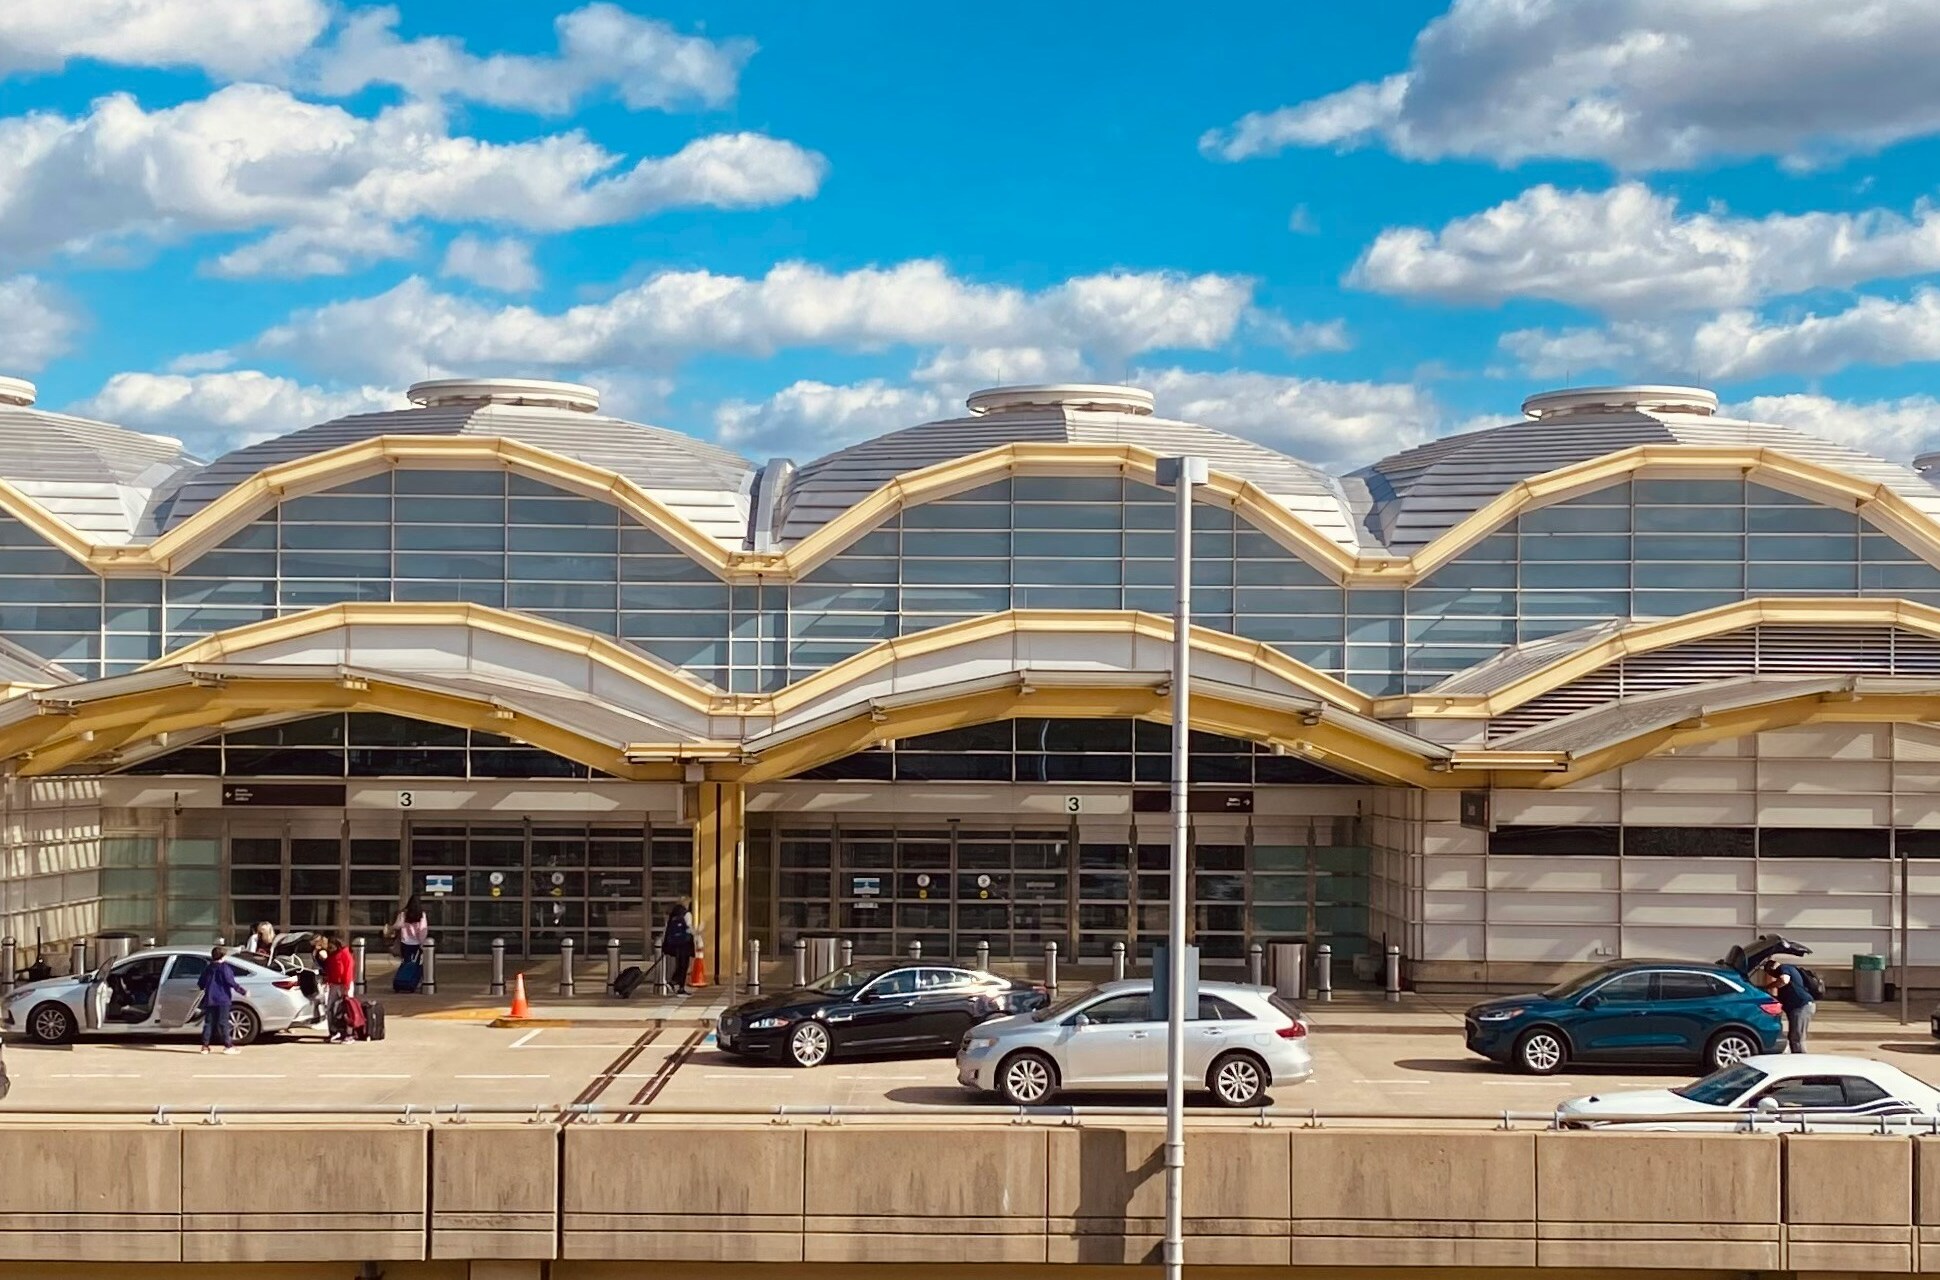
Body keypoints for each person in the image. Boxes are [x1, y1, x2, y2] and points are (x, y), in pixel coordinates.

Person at [196, 946, 247, 1055]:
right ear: (223, 956)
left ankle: (205, 1046)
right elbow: (230, 982)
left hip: (210, 999)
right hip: (223, 999)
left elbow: (201, 983)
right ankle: (228, 1045)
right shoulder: (225, 968)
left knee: (208, 1023)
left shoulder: (208, 968)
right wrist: (243, 991)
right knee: (223, 1022)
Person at [1765, 958, 1815, 1053]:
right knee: (1794, 1037)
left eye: (1770, 972)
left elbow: (1784, 980)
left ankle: (1801, 1059)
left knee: (1797, 1038)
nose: (1772, 975)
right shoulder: (1790, 969)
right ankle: (1796, 1056)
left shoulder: (1784, 968)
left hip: (1801, 1006)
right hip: (1800, 1006)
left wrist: (1770, 986)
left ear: (1772, 968)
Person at [321, 936, 355, 1043]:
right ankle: (334, 1031)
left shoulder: (345, 954)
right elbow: (329, 969)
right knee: (330, 1008)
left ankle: (349, 1033)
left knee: (346, 1009)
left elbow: (348, 970)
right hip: (334, 984)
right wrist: (327, 980)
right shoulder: (332, 955)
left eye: (332, 947)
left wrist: (346, 985)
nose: (330, 949)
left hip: (343, 984)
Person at [661, 901, 695, 996]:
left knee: (680, 964)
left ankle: (677, 984)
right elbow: (689, 928)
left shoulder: (674, 915)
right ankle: (677, 984)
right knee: (684, 966)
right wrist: (697, 931)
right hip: (685, 943)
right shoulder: (687, 914)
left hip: (676, 944)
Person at [386, 898, 429, 969]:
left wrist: (391, 927)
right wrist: (422, 942)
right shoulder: (422, 914)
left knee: (406, 961)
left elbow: (398, 925)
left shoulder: (403, 913)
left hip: (405, 942)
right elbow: (422, 930)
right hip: (417, 942)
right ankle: (412, 974)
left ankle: (405, 973)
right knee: (416, 962)